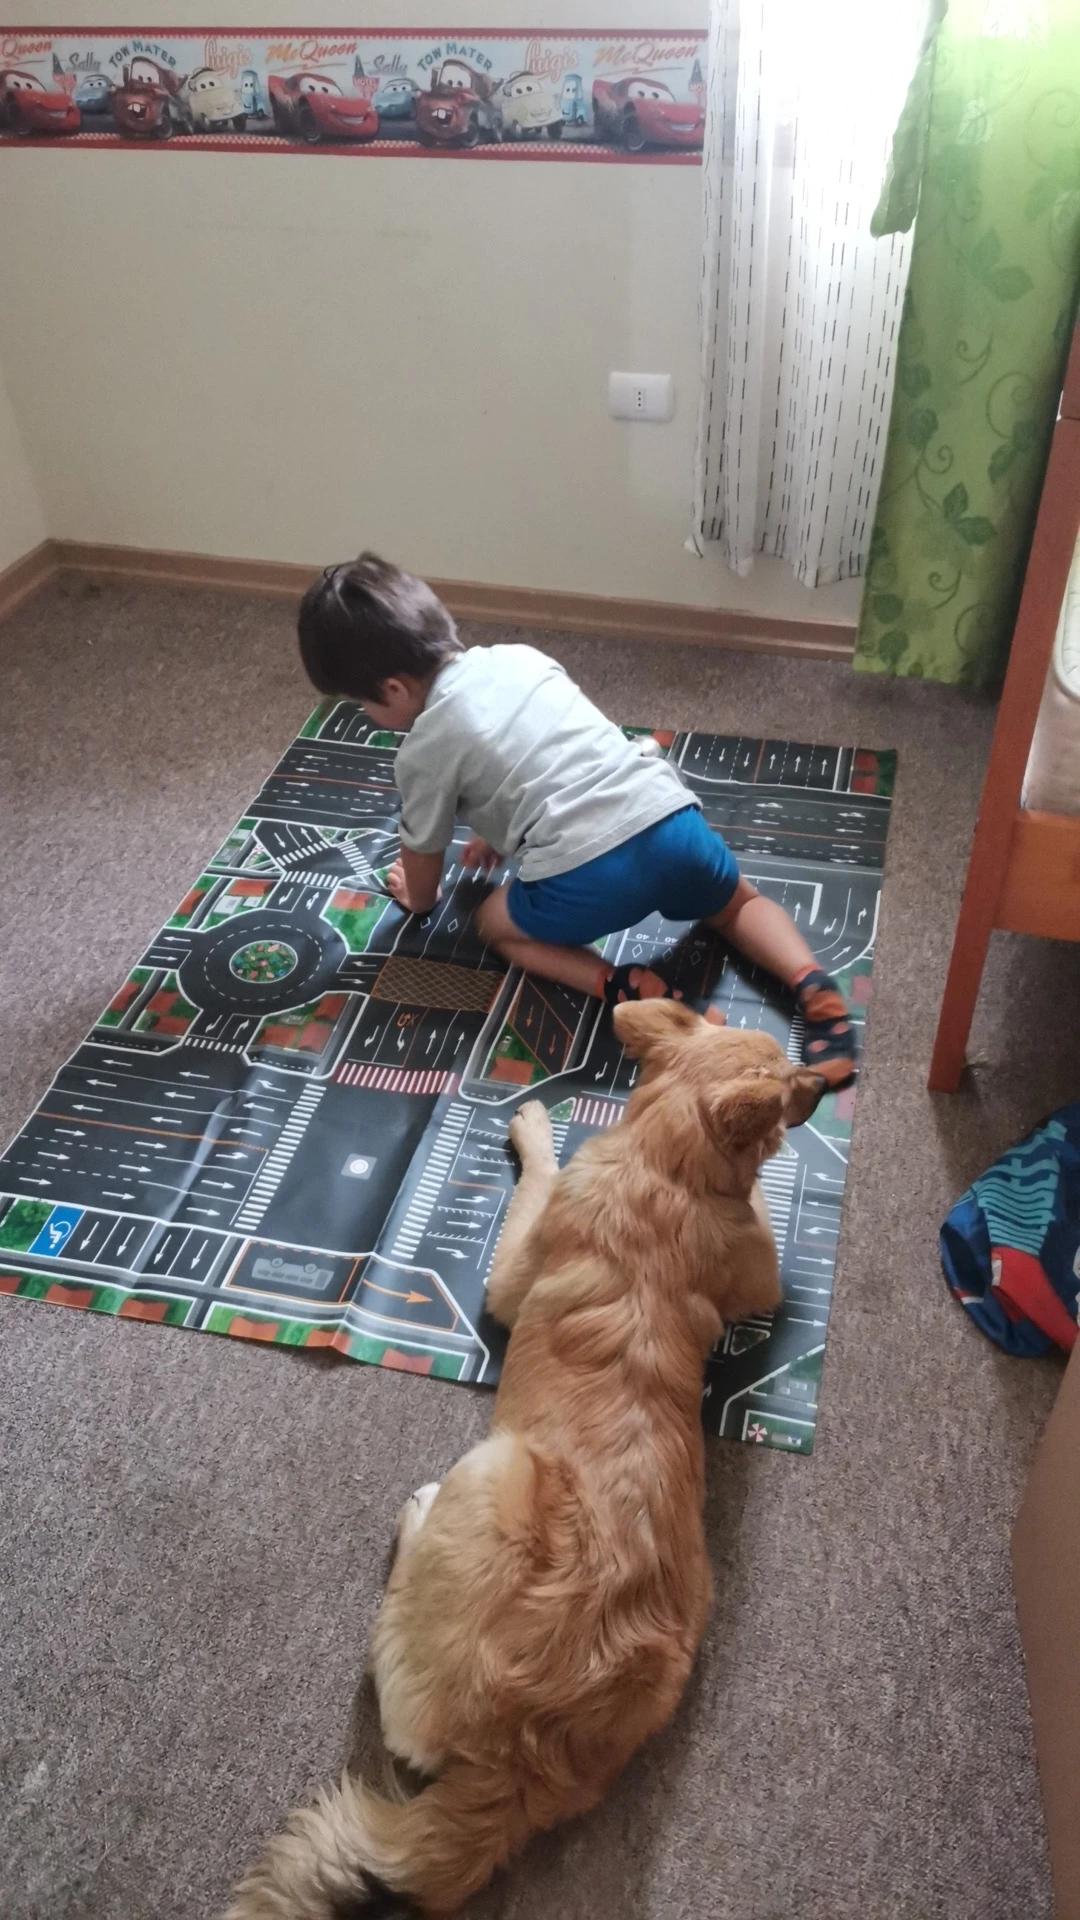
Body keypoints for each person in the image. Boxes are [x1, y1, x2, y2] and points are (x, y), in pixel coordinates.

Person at [297, 553, 856, 1086]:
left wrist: (418, 898)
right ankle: (811, 982)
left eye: (363, 703)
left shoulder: (421, 752)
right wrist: (496, 828)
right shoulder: (521, 658)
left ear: (394, 689)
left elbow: (422, 858)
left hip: (593, 877)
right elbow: (539, 752)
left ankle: (618, 985)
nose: (367, 714)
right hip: (669, 820)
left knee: (492, 922)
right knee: (738, 906)